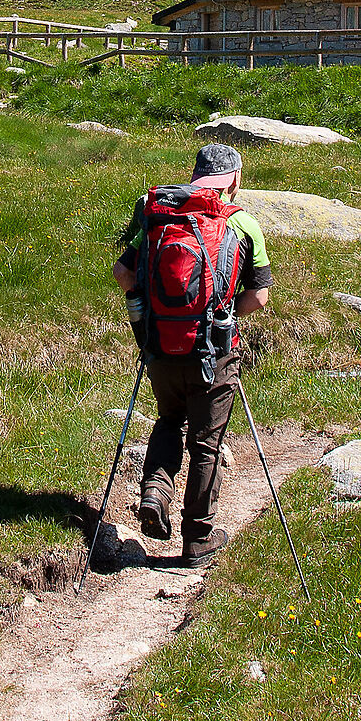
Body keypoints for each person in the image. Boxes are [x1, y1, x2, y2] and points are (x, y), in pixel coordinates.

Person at [111, 141, 273, 567]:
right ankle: (198, 538)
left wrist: (147, 312)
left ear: (197, 173)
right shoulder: (242, 223)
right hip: (215, 350)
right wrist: (223, 315)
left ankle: (155, 495)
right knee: (206, 441)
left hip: (160, 344)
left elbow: (123, 271)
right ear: (234, 180)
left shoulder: (156, 211)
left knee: (168, 420)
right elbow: (260, 296)